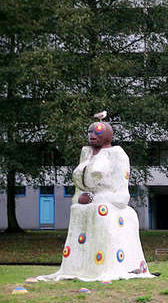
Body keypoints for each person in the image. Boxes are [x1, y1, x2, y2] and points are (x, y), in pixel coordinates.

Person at [38, 118, 154, 281]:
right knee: (77, 209)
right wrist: (80, 198)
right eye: (90, 132)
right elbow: (79, 189)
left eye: (97, 132)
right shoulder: (85, 153)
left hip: (108, 204)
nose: (92, 135)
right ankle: (78, 267)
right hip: (85, 204)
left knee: (100, 211)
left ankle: (103, 267)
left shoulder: (118, 154)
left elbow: (122, 195)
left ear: (108, 135)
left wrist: (96, 197)